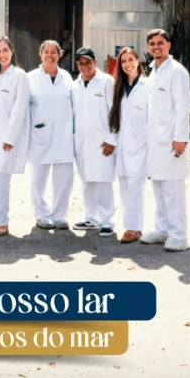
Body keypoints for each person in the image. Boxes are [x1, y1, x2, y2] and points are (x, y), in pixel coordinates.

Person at [141, 29, 190, 252]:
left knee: (173, 192)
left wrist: (180, 138)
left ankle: (179, 236)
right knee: (159, 188)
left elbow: (184, 108)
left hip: (173, 143)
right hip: (155, 143)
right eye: (152, 43)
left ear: (169, 45)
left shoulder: (176, 71)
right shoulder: (153, 71)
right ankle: (162, 230)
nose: (156, 47)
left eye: (160, 43)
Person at [0, 36, 30, 236]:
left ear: (12, 52)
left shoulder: (19, 76)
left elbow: (20, 108)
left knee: (0, 179)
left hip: (5, 139)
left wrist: (10, 137)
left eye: (5, 50)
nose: (2, 54)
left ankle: (2, 221)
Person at [27, 40, 74, 229]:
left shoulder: (66, 77)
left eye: (54, 52)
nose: (50, 55)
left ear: (59, 54)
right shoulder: (31, 78)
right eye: (46, 52)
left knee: (64, 179)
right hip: (40, 134)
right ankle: (42, 214)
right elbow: (23, 107)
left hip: (63, 136)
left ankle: (59, 215)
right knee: (38, 180)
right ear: (40, 54)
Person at [72, 46, 117, 236]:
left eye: (88, 62)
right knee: (87, 181)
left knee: (103, 181)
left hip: (102, 142)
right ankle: (91, 218)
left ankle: (107, 221)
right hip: (81, 142)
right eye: (81, 63)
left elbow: (114, 111)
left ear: (95, 62)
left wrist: (112, 138)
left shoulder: (106, 82)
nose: (85, 66)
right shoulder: (75, 85)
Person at [108, 47, 149, 243]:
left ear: (138, 61)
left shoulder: (147, 86)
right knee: (124, 187)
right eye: (123, 61)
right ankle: (131, 225)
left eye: (131, 59)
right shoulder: (119, 88)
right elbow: (114, 118)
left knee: (135, 188)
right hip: (123, 146)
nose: (127, 64)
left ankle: (134, 228)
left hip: (141, 146)